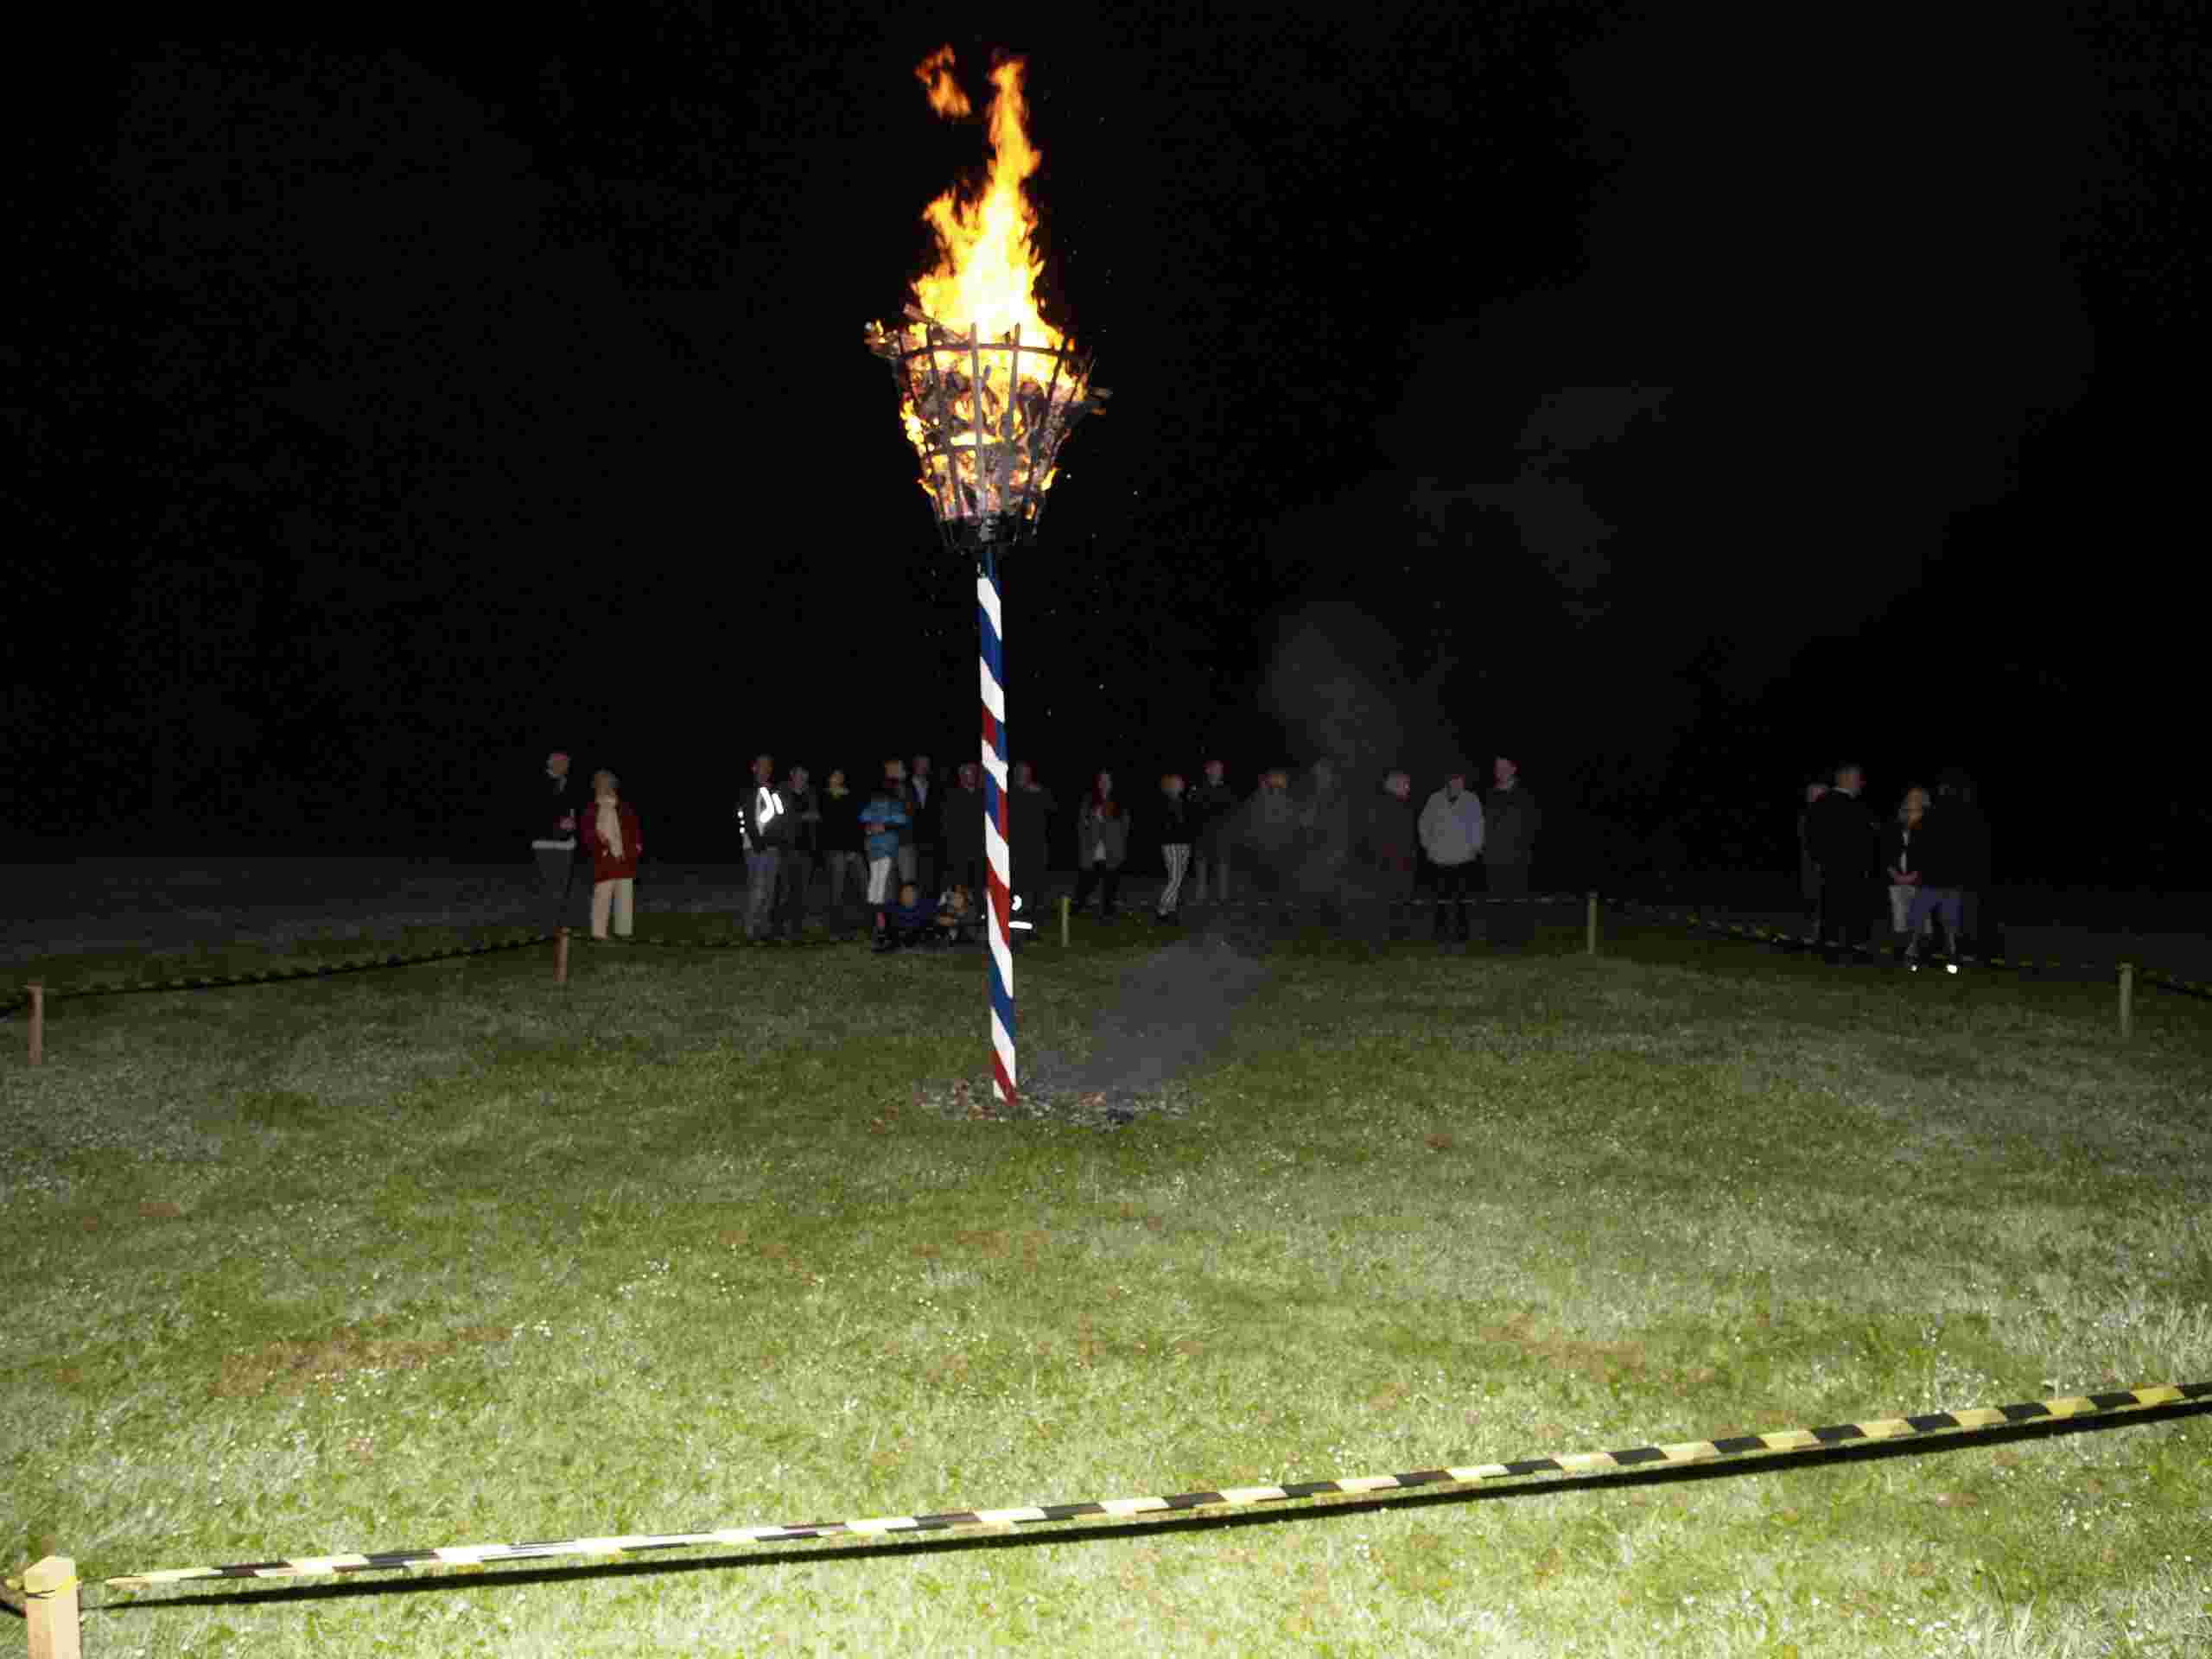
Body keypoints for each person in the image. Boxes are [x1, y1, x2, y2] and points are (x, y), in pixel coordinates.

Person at [1805, 762, 1877, 963]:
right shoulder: (1849, 806)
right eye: (1858, 778)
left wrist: (1820, 859)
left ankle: (1833, 947)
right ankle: (1852, 949)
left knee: (1834, 909)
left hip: (1834, 868)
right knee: (1849, 910)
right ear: (1846, 779)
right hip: (1849, 868)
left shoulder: (1825, 803)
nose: (1861, 783)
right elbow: (1865, 839)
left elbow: (1812, 836)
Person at [1417, 769, 1484, 943]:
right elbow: (1423, 823)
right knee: (1441, 900)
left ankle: (1463, 934)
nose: (1458, 784)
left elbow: (1478, 823)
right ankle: (1440, 933)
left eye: (1461, 781)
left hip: (1463, 859)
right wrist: (1428, 845)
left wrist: (1476, 846)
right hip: (1439, 860)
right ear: (1448, 781)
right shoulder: (1434, 799)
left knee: (1462, 900)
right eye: (1455, 780)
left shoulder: (1471, 799)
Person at [1483, 756, 1542, 947]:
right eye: (1496, 767)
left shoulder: (1525, 795)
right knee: (1495, 900)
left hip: (1518, 858)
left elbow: (1533, 825)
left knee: (1518, 900)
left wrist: (1522, 846)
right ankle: (1496, 939)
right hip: (1493, 858)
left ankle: (1518, 939)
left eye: (1503, 766)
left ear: (1513, 769)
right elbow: (1482, 824)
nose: (1499, 770)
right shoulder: (1489, 794)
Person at [577, 768, 643, 942]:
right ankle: (599, 933)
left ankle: (623, 932)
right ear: (595, 786)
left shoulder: (625, 808)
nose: (604, 787)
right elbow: (587, 834)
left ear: (613, 785)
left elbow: (635, 830)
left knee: (625, 897)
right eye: (600, 783)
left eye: (607, 783)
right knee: (602, 896)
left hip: (625, 858)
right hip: (604, 858)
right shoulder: (592, 809)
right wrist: (600, 844)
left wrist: (635, 849)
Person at [734, 753, 791, 943]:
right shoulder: (747, 790)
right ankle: (751, 929)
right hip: (754, 847)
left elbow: (781, 817)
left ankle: (764, 929)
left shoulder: (775, 791)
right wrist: (758, 843)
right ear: (754, 768)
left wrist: (779, 841)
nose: (765, 769)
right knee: (757, 888)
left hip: (773, 847)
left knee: (770, 890)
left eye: (769, 766)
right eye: (762, 765)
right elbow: (747, 818)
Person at [1357, 768, 1419, 940]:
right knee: (1389, 901)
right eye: (1405, 784)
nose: (1408, 788)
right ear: (1395, 785)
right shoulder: (1383, 807)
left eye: (1408, 784)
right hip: (1389, 864)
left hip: (1400, 863)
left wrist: (1411, 854)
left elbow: (1408, 837)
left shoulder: (1403, 807)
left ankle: (1397, 932)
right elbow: (1374, 836)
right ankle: (1389, 933)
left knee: (1399, 901)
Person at [528, 749, 582, 932]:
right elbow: (535, 812)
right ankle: (549, 926)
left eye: (568, 764)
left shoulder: (568, 784)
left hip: (566, 843)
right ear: (552, 764)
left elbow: (573, 809)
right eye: (563, 764)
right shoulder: (537, 782)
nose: (567, 767)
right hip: (545, 842)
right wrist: (558, 823)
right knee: (550, 885)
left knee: (563, 886)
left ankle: (559, 924)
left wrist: (573, 823)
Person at [1072, 770, 1129, 918]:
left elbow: (1125, 826)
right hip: (1093, 848)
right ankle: (1076, 907)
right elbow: (1081, 825)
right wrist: (1085, 843)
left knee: (1111, 882)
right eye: (1101, 780)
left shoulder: (1119, 802)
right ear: (1097, 783)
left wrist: (1119, 844)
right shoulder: (1089, 800)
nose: (1104, 784)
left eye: (1107, 780)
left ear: (1112, 783)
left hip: (1113, 849)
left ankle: (1108, 912)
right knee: (1087, 881)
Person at [818, 768, 867, 938]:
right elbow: (830, 823)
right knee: (837, 890)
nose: (838, 779)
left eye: (841, 776)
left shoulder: (851, 796)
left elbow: (856, 823)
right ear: (829, 779)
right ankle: (836, 929)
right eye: (835, 776)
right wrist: (837, 797)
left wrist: (854, 849)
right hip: (834, 849)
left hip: (853, 849)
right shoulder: (823, 797)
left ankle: (868, 924)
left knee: (864, 885)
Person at [1881, 785, 1934, 941]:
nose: (1912, 800)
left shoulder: (1930, 824)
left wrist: (1914, 876)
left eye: (1916, 797)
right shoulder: (1894, 825)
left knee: (1922, 920)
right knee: (1899, 919)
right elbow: (1885, 853)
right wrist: (1895, 875)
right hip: (1896, 880)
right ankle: (1902, 947)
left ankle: (1922, 947)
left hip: (1922, 881)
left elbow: (1931, 855)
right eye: (1910, 797)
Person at [1008, 760, 1056, 928]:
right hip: (1017, 850)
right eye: (1022, 773)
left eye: (1027, 773)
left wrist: (1040, 792)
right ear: (1016, 775)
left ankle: (1036, 919)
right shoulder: (1009, 793)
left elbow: (1053, 808)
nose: (1025, 776)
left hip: (1037, 848)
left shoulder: (1039, 792)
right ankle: (1016, 919)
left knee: (1038, 886)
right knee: (1017, 887)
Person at [778, 764, 821, 942]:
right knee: (785, 890)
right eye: (800, 774)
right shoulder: (782, 792)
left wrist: (813, 817)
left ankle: (797, 928)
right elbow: (780, 817)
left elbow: (817, 816)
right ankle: (779, 928)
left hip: (807, 849)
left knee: (802, 892)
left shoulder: (811, 793)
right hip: (787, 848)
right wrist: (802, 816)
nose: (802, 778)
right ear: (792, 774)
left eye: (805, 774)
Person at [859, 776, 908, 921]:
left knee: (877, 880)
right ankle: (878, 914)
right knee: (880, 881)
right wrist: (883, 823)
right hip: (884, 848)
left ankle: (875, 913)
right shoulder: (893, 805)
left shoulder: (873, 805)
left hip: (875, 847)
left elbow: (863, 817)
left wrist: (875, 824)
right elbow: (902, 819)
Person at [1189, 759, 1236, 906]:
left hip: (1222, 835)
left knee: (1223, 866)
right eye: (1216, 769)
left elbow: (1232, 812)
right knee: (1201, 866)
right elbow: (1193, 810)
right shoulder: (1198, 788)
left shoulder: (1227, 789)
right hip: (1202, 834)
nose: (1219, 772)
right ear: (1207, 770)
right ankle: (1200, 897)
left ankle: (1223, 898)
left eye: (1221, 769)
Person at [943, 760, 986, 901]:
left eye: (974, 772)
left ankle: (980, 910)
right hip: (959, 852)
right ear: (961, 775)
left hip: (980, 850)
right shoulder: (952, 796)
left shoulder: (983, 795)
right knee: (960, 887)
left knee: (980, 887)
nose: (971, 775)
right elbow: (948, 825)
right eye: (968, 772)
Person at [1155, 773, 1192, 924]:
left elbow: (1189, 821)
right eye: (1178, 782)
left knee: (1178, 878)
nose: (1182, 783)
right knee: (1175, 879)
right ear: (1170, 785)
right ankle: (1161, 910)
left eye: (1181, 781)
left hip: (1184, 843)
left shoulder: (1183, 800)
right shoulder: (1165, 802)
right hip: (1170, 843)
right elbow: (1167, 824)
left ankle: (1171, 911)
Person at [905, 753, 942, 898]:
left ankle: (927, 904)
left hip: (930, 839)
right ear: (914, 764)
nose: (924, 767)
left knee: (929, 877)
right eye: (921, 763)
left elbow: (937, 812)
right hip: (909, 838)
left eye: (926, 764)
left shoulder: (934, 785)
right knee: (910, 878)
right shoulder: (905, 785)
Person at [1796, 781, 1828, 931]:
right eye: (1811, 795)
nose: (1814, 799)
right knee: (1813, 899)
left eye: (1818, 795)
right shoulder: (1804, 818)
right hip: (1810, 869)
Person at [874, 879, 935, 951]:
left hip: (918, 936)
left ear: (916, 894)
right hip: (898, 935)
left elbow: (936, 917)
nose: (907, 895)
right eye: (905, 892)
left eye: (910, 893)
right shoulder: (893, 906)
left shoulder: (925, 907)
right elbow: (880, 911)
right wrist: (881, 919)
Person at [935, 881, 981, 945]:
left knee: (953, 922)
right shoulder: (948, 895)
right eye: (957, 886)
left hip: (960, 919)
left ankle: (950, 939)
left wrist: (957, 913)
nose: (958, 888)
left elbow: (964, 910)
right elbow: (941, 906)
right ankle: (943, 938)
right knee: (943, 921)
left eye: (960, 887)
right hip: (951, 916)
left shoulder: (966, 898)